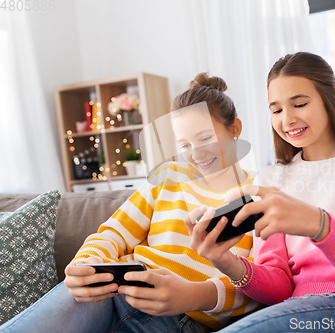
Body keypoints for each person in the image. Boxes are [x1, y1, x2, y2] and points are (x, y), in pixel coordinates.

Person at [0, 73, 260, 333]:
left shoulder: (256, 195)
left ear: (235, 128)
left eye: (205, 139)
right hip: (115, 291)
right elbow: (114, 232)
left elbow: (259, 285)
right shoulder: (168, 177)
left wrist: (193, 295)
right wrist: (84, 263)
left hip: (181, 317)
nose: (196, 153)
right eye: (184, 144)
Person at [186, 52, 335, 332]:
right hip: (302, 307)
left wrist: (318, 224)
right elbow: (280, 288)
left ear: (330, 100)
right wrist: (227, 262)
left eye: (300, 104)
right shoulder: (273, 178)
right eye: (277, 110)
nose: (288, 119)